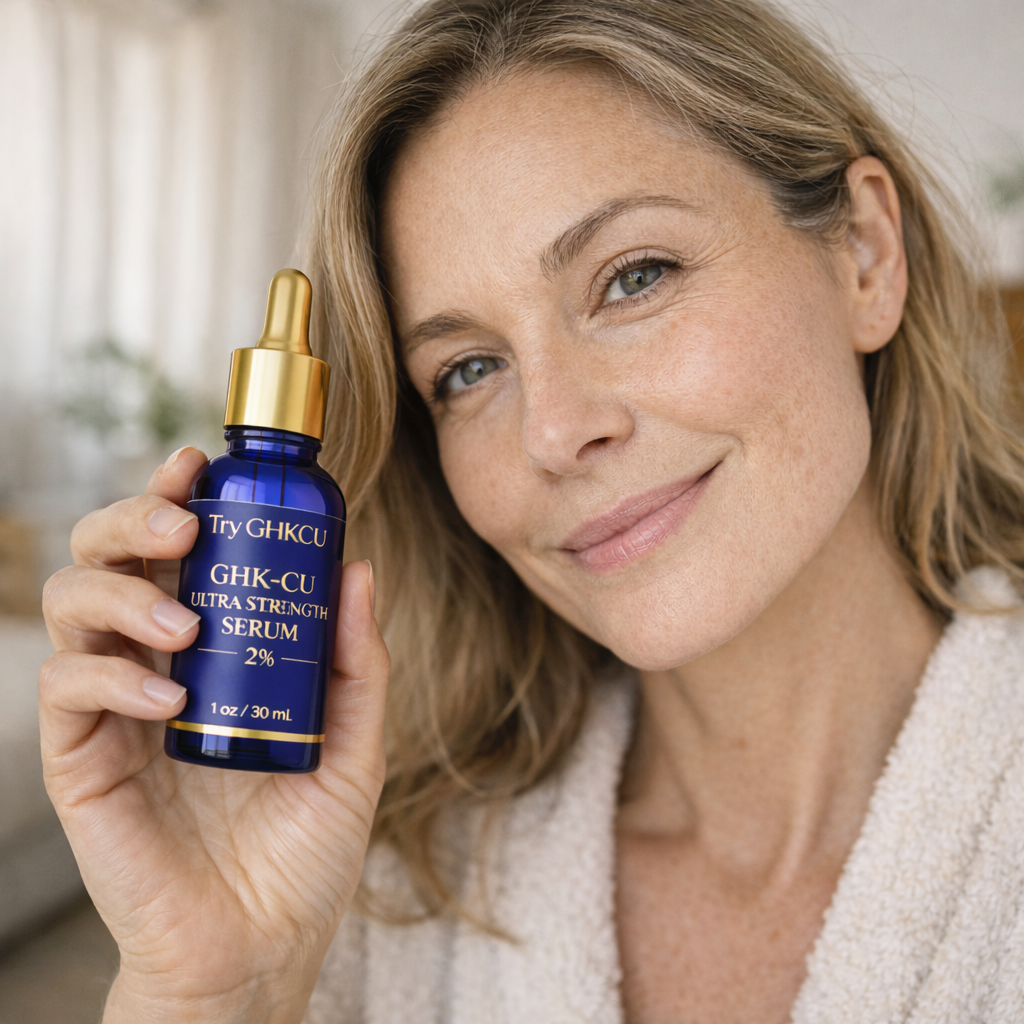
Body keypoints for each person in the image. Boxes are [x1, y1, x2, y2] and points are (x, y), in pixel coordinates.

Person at [38, 0, 1024, 1021]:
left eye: (634, 278)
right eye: (467, 368)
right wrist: (217, 987)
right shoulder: (398, 902)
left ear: (863, 253)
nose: (552, 432)